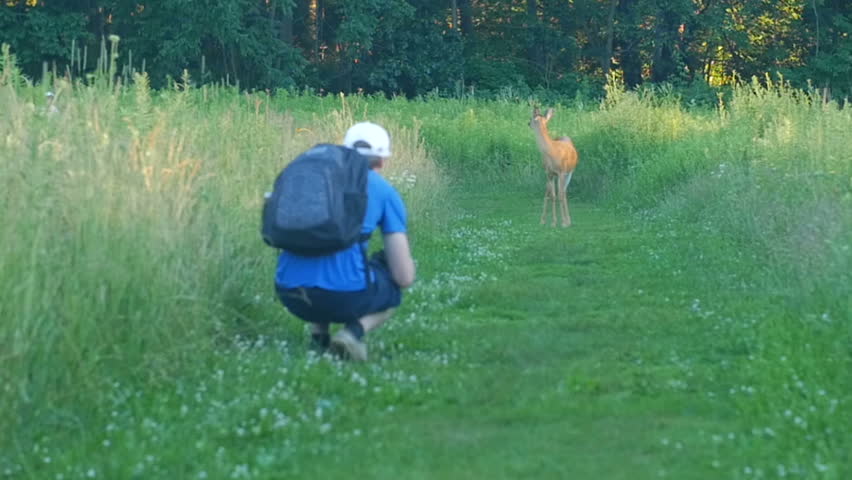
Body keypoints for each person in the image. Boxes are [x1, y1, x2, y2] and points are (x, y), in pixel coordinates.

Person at [274, 122, 416, 361]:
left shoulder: (311, 180)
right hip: (343, 297)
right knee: (391, 287)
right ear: (382, 161)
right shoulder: (383, 190)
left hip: (290, 293)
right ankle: (351, 334)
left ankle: (319, 337)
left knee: (320, 249)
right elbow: (403, 276)